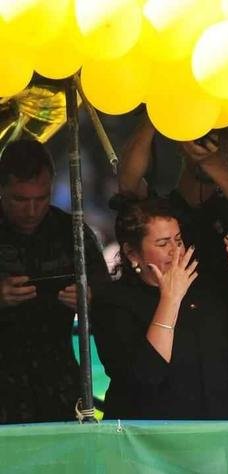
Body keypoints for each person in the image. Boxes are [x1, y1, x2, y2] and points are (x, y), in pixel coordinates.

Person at [92, 198, 228, 420]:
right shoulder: (113, 301)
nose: (176, 251)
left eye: (178, 240)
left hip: (209, 437)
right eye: (163, 244)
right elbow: (147, 374)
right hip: (145, 442)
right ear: (132, 253)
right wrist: (171, 299)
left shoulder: (205, 293)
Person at [0, 139, 110, 424]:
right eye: (20, 200)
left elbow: (109, 294)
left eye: (41, 198)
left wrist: (88, 297)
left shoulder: (71, 232)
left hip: (58, 378)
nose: (32, 210)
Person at [118, 114, 228, 311]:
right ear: (182, 145)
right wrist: (155, 116)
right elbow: (128, 182)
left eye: (222, 143)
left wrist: (210, 162)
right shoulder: (162, 211)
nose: (209, 145)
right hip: (172, 327)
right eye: (202, 137)